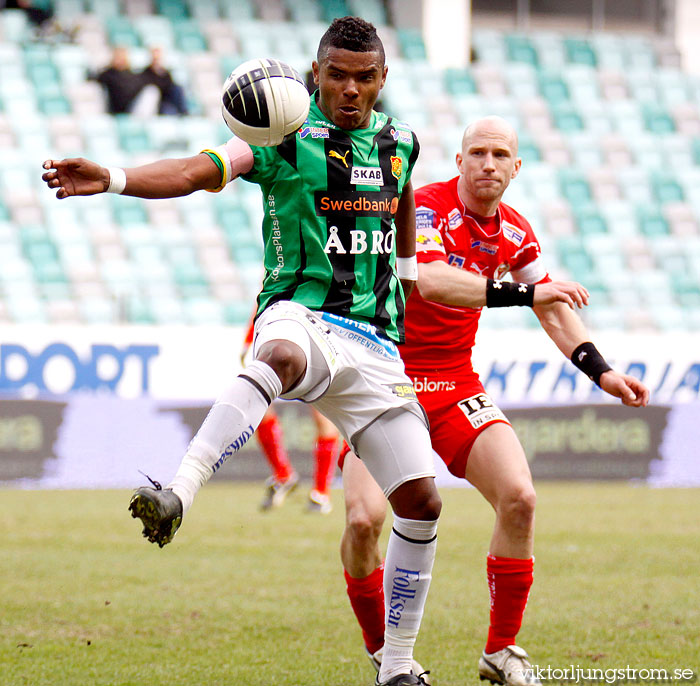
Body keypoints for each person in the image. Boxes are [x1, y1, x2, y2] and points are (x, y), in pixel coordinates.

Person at [42, 17, 585, 682]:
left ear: (383, 81)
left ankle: (398, 666)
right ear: (317, 74)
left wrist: (492, 294)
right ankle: (181, 489)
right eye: (337, 75)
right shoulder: (281, 135)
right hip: (300, 314)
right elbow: (194, 171)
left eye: (364, 77)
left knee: (422, 502)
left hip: (379, 350)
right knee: (283, 360)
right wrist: (116, 177)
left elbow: (412, 269)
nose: (350, 89)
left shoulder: (402, 146)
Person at [337, 116, 650, 685]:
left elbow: (553, 309)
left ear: (515, 168)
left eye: (500, 154)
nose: (488, 163)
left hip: (455, 384)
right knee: (364, 521)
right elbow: (428, 280)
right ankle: (388, 652)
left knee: (520, 497)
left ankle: (501, 651)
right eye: (477, 152)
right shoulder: (426, 207)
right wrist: (530, 291)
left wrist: (601, 372)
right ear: (458, 162)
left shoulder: (515, 231)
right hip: (385, 380)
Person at [241, 312, 339, 513]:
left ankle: (321, 493)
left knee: (322, 415)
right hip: (284, 335)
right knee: (259, 406)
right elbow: (265, 297)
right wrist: (250, 338)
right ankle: (283, 475)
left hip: (318, 338)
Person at [90, 46, 146, 115]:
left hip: (131, 107)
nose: (120, 59)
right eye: (118, 56)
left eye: (122, 56)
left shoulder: (132, 75)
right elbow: (94, 81)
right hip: (112, 108)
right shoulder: (107, 74)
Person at [139, 46, 189, 116]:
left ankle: (184, 113)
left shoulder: (166, 73)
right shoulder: (145, 73)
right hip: (156, 103)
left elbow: (170, 88)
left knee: (178, 89)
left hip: (167, 101)